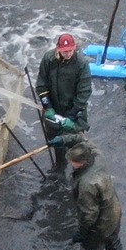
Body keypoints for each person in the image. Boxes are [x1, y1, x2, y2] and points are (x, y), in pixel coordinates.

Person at [67, 139, 126, 250]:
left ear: (81, 163)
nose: (70, 163)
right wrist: (65, 138)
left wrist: (81, 233)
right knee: (114, 244)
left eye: (73, 161)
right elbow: (88, 142)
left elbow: (89, 215)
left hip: (99, 227)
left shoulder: (86, 185)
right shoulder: (98, 158)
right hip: (114, 213)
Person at [36, 33, 92, 172]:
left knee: (77, 148)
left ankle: (80, 175)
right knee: (57, 145)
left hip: (74, 111)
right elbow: (41, 86)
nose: (68, 54)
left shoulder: (81, 64)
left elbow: (84, 92)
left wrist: (72, 116)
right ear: (58, 49)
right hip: (53, 111)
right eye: (65, 51)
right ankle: (59, 167)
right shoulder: (48, 59)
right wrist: (47, 107)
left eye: (71, 50)